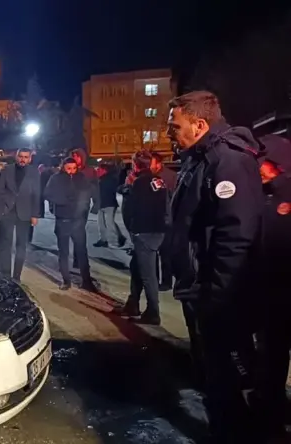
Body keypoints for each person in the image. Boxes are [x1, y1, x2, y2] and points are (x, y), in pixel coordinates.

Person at [165, 90, 263, 443]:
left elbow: (236, 235)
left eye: (174, 126)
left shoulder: (228, 161)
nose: (169, 133)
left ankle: (235, 432)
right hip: (199, 285)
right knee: (212, 368)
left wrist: (217, 295)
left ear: (200, 124)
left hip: (218, 292)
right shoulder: (199, 156)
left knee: (228, 375)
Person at [251, 134, 291, 443]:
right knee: (272, 356)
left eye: (261, 162)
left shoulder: (284, 194)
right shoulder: (263, 194)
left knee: (275, 353)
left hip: (283, 289)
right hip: (268, 293)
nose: (257, 168)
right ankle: (271, 409)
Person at [117, 150, 168, 325]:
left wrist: (133, 230)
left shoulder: (138, 183)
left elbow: (131, 209)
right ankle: (133, 305)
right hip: (157, 231)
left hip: (144, 233)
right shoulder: (158, 181)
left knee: (148, 275)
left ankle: (153, 312)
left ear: (135, 165)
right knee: (137, 268)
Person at [44, 157, 96, 291]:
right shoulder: (56, 178)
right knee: (64, 252)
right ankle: (66, 280)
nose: (71, 171)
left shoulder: (81, 178)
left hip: (78, 220)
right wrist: (64, 201)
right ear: (63, 167)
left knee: (81, 251)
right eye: (68, 168)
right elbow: (48, 194)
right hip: (63, 220)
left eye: (74, 168)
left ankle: (87, 280)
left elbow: (88, 192)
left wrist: (82, 206)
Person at [0, 148, 41, 280]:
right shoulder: (7, 170)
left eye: (26, 157)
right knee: (5, 244)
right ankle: (5, 275)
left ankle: (16, 276)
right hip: (8, 211)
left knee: (21, 245)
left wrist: (35, 214)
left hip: (25, 212)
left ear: (30, 158)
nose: (23, 159)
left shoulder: (34, 172)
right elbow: (0, 189)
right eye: (21, 156)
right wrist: (2, 206)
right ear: (16, 157)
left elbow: (37, 194)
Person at [150, 152, 177, 291]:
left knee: (165, 252)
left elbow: (175, 198)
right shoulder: (150, 177)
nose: (150, 166)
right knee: (154, 251)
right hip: (154, 220)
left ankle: (166, 281)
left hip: (166, 220)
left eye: (152, 162)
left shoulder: (170, 176)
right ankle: (154, 280)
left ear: (159, 163)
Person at [94, 161, 127, 248]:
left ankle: (117, 239)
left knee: (110, 223)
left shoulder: (109, 179)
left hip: (109, 203)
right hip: (101, 203)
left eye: (99, 169)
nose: (97, 170)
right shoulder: (99, 179)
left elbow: (113, 190)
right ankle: (103, 239)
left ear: (105, 170)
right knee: (101, 223)